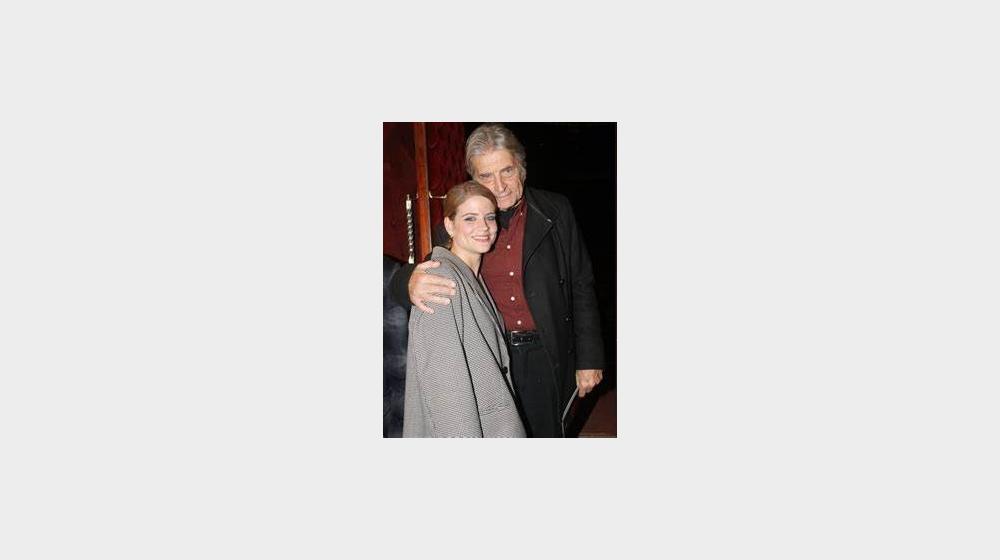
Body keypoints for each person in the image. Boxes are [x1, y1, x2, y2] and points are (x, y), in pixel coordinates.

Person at [391, 123, 604, 437]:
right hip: (489, 354)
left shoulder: (556, 210)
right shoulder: (464, 224)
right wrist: (408, 281)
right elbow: (429, 269)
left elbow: (582, 284)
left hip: (547, 351)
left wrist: (590, 358)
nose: (499, 185)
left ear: (522, 168)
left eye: (507, 171)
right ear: (472, 179)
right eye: (486, 176)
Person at [402, 181, 526, 438]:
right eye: (470, 218)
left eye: (489, 217)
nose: (484, 227)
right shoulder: (441, 280)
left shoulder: (470, 275)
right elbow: (445, 390)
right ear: (449, 226)